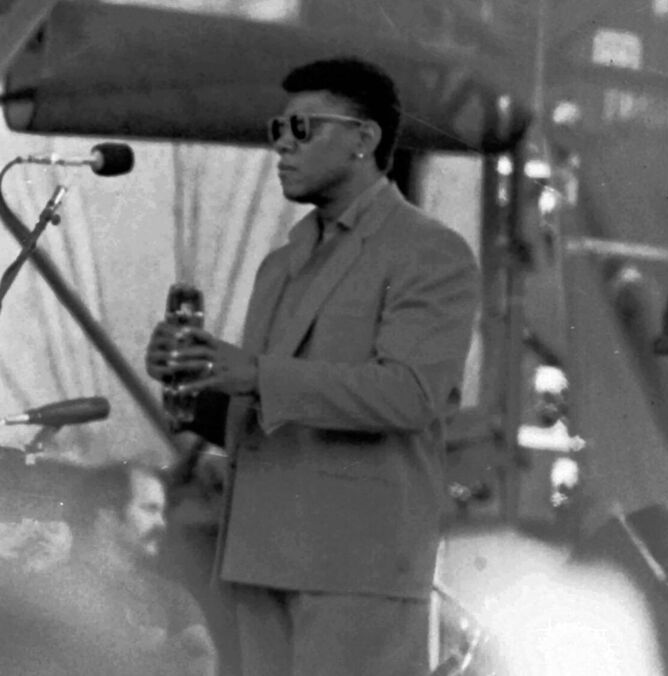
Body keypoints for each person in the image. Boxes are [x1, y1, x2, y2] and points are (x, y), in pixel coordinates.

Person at [144, 56, 481, 675]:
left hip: (356, 569)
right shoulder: (282, 263)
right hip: (260, 558)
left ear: (364, 139)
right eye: (278, 129)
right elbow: (272, 417)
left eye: (303, 128)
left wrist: (253, 373)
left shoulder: (429, 251)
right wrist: (195, 389)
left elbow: (412, 394)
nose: (282, 145)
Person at [0, 462, 217, 675]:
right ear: (108, 516)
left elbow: (201, 655)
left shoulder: (171, 594)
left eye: (161, 512)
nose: (161, 523)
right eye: (149, 509)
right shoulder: (47, 590)